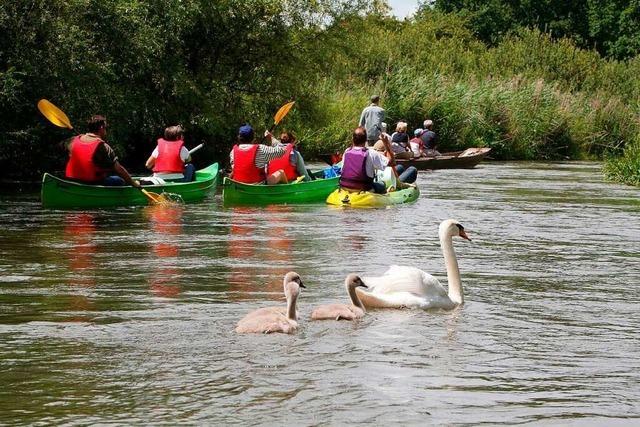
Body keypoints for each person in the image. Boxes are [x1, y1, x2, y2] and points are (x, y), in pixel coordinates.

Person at [64, 115, 140, 188]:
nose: (106, 130)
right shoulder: (103, 146)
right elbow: (119, 169)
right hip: (91, 183)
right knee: (119, 180)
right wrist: (133, 183)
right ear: (101, 128)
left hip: (71, 180)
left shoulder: (73, 140)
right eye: (105, 128)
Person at [340, 127, 416, 194]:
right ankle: (389, 190)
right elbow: (393, 162)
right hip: (364, 188)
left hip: (345, 186)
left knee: (400, 167)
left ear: (353, 139)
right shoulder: (371, 153)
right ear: (366, 140)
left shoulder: (347, 151)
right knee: (411, 170)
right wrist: (387, 144)